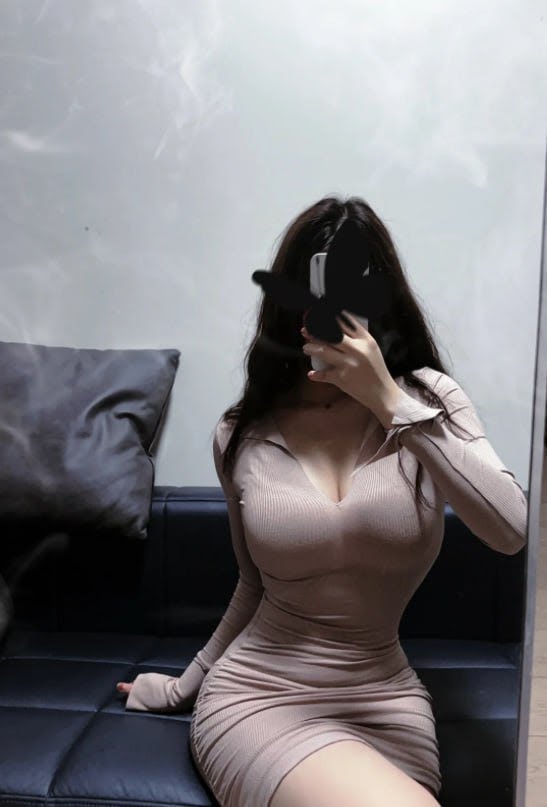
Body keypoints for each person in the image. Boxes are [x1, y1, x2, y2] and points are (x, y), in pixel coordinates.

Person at [116, 195, 528, 807]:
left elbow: (510, 530)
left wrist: (390, 402)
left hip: (387, 700)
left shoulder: (429, 401)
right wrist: (181, 688)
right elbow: (252, 585)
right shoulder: (242, 431)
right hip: (262, 698)